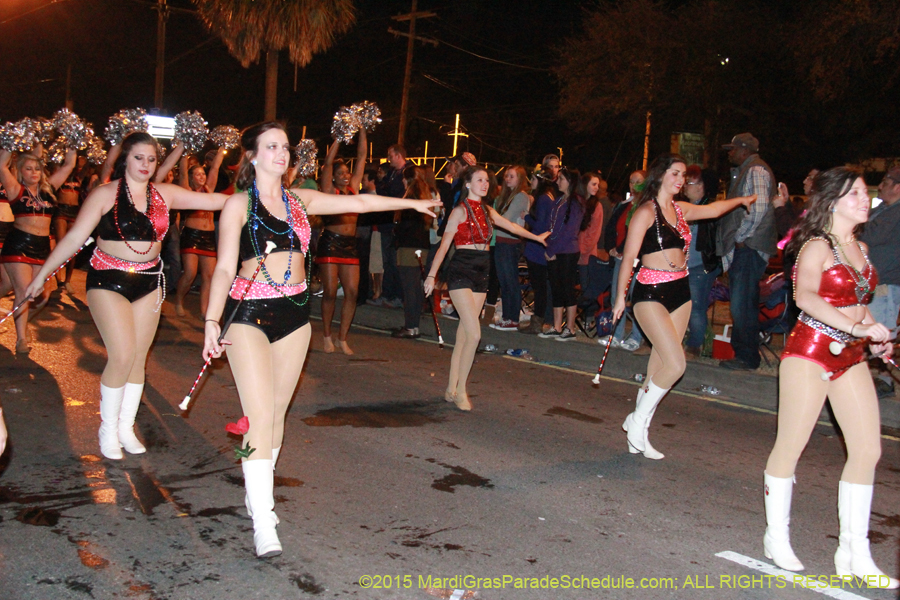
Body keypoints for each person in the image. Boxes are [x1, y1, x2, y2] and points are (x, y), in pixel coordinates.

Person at [202, 122, 438, 559]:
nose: (281, 153)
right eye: (271, 146)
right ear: (252, 156)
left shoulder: (300, 200)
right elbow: (222, 268)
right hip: (248, 314)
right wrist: (212, 320)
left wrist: (414, 202)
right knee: (257, 416)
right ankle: (264, 518)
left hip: (294, 316)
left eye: (285, 147)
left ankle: (257, 490)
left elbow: (363, 202)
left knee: (275, 414)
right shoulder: (238, 204)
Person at [25, 132, 228, 460]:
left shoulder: (165, 194)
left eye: (151, 159)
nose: (145, 164)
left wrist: (264, 189)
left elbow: (219, 201)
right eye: (138, 158)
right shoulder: (105, 194)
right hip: (108, 281)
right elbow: (76, 236)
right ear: (125, 160)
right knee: (121, 355)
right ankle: (107, 428)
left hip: (149, 283)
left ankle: (125, 425)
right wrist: (44, 273)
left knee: (137, 359)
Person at [762, 167, 898, 588]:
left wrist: (874, 332)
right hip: (810, 353)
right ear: (833, 201)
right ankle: (776, 536)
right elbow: (804, 297)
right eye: (855, 192)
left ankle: (854, 553)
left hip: (852, 356)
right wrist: (857, 328)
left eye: (866, 192)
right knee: (791, 445)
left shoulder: (859, 246)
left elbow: (856, 301)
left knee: (867, 451)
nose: (865, 198)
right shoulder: (817, 246)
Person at [613, 154, 754, 459]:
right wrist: (619, 299)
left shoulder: (681, 210)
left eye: (683, 176)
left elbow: (714, 209)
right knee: (676, 366)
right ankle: (635, 421)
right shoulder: (645, 212)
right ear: (661, 175)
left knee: (659, 365)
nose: (680, 180)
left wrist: (742, 199)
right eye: (675, 174)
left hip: (681, 291)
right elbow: (628, 258)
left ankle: (640, 432)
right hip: (650, 292)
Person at [425, 167, 549, 411]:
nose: (484, 183)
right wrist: (431, 275)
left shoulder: (489, 210)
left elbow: (513, 228)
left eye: (486, 180)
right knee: (474, 334)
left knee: (464, 333)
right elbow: (443, 247)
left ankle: (451, 387)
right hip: (461, 269)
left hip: (483, 270)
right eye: (479, 180)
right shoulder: (459, 211)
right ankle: (461, 391)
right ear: (468, 184)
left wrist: (536, 237)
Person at [0, 147, 76, 354]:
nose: (34, 173)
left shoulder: (48, 190)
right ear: (20, 171)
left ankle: (22, 323)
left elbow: (69, 164)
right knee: (24, 291)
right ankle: (21, 339)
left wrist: (72, 142)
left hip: (42, 247)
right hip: (19, 244)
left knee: (43, 296)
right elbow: (1, 165)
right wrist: (10, 141)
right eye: (28, 169)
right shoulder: (15, 189)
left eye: (37, 169)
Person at [716, 133, 778, 371]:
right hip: (747, 247)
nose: (730, 153)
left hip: (749, 248)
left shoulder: (756, 170)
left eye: (732, 149)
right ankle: (744, 353)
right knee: (741, 305)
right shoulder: (749, 170)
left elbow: (759, 207)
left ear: (744, 150)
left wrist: (741, 236)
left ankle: (747, 356)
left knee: (742, 306)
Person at [316, 128, 367, 354]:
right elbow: (327, 164)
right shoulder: (329, 190)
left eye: (348, 172)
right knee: (329, 291)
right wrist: (339, 136)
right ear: (335, 176)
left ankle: (342, 337)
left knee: (352, 292)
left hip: (350, 245)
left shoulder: (353, 189)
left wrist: (362, 128)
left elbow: (363, 156)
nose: (346, 175)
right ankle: (327, 335)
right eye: (342, 172)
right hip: (330, 241)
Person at [860, 165, 900, 397]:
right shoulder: (885, 209)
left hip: (885, 284)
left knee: (882, 331)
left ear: (897, 187)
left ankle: (885, 379)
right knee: (874, 331)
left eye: (885, 182)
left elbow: (870, 234)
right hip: (876, 282)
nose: (881, 186)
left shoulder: (895, 212)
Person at [173, 147, 226, 317]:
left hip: (208, 237)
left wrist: (222, 148)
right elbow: (182, 172)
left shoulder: (209, 188)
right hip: (191, 235)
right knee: (190, 273)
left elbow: (216, 167)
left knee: (209, 276)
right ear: (191, 178)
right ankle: (179, 301)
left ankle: (205, 311)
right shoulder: (187, 190)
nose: (202, 176)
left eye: (203, 173)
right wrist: (185, 151)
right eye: (197, 174)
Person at [601, 170, 646, 351]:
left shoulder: (646, 207)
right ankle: (616, 335)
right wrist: (611, 248)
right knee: (616, 297)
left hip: (638, 260)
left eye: (638, 181)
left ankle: (636, 337)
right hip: (621, 258)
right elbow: (611, 228)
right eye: (631, 181)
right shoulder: (623, 205)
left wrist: (621, 249)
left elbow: (635, 234)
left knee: (636, 300)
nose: (633, 185)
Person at [539, 168, 584, 341]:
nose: (558, 182)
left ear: (570, 182)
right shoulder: (559, 200)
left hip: (567, 251)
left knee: (567, 288)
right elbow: (553, 228)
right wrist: (549, 247)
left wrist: (552, 250)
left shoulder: (576, 202)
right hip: (554, 249)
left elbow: (569, 231)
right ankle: (557, 326)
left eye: (562, 179)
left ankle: (570, 328)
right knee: (556, 288)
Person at [392, 165, 436, 339]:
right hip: (422, 246)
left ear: (408, 180)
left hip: (408, 247)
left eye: (404, 178)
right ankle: (413, 324)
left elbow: (403, 226)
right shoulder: (424, 198)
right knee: (416, 289)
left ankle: (410, 326)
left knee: (409, 288)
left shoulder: (409, 200)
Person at [683, 166, 723, 357]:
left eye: (689, 182)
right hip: (686, 265)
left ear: (701, 186)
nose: (685, 187)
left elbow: (709, 242)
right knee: (687, 305)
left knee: (696, 306)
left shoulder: (706, 210)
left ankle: (695, 345)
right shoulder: (686, 208)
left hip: (700, 265)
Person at [489, 166, 532, 331]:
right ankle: (508, 316)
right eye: (506, 176)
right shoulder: (506, 196)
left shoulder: (520, 196)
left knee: (510, 280)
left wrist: (492, 216)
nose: (507, 179)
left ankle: (513, 318)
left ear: (520, 179)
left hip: (510, 242)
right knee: (504, 280)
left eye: (512, 176)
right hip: (501, 240)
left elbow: (506, 218)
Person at [577, 173, 607, 324]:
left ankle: (588, 317)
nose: (596, 187)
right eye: (593, 184)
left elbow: (594, 233)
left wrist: (581, 250)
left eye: (597, 184)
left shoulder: (597, 206)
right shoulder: (577, 202)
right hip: (573, 251)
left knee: (586, 286)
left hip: (586, 254)